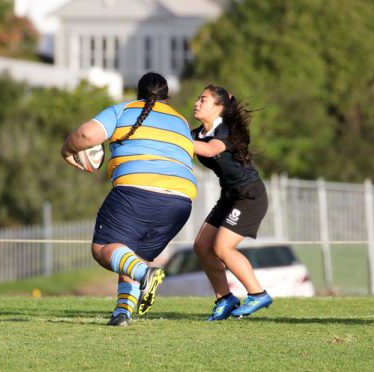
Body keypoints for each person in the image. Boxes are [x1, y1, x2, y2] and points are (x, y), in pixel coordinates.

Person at [61, 72, 196, 326]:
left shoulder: (124, 110)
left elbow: (86, 136)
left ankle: (146, 275)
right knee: (128, 255)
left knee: (103, 249)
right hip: (181, 202)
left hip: (137, 192)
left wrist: (67, 150)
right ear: (167, 97)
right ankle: (122, 313)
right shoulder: (181, 120)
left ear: (137, 94)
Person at [191, 84, 272, 320]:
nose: (196, 103)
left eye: (203, 100)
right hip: (229, 196)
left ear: (219, 107)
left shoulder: (225, 131)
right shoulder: (196, 134)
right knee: (202, 247)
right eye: (198, 98)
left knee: (222, 248)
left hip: (250, 196)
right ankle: (225, 299)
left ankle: (258, 293)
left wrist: (174, 141)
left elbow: (209, 150)